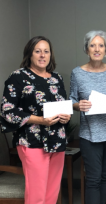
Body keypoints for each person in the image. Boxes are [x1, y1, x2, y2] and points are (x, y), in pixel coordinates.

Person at [0, 36, 70, 204]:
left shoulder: (57, 78)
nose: (42, 55)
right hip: (31, 141)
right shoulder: (17, 77)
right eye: (37, 51)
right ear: (29, 54)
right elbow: (7, 110)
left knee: (52, 194)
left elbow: (63, 105)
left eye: (46, 51)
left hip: (57, 140)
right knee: (36, 195)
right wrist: (39, 120)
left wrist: (66, 116)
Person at [69, 30, 106, 204]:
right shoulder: (77, 73)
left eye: (101, 45)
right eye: (92, 45)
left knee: (104, 177)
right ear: (86, 49)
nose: (96, 49)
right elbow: (71, 100)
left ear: (105, 50)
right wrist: (78, 105)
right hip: (90, 134)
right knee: (93, 179)